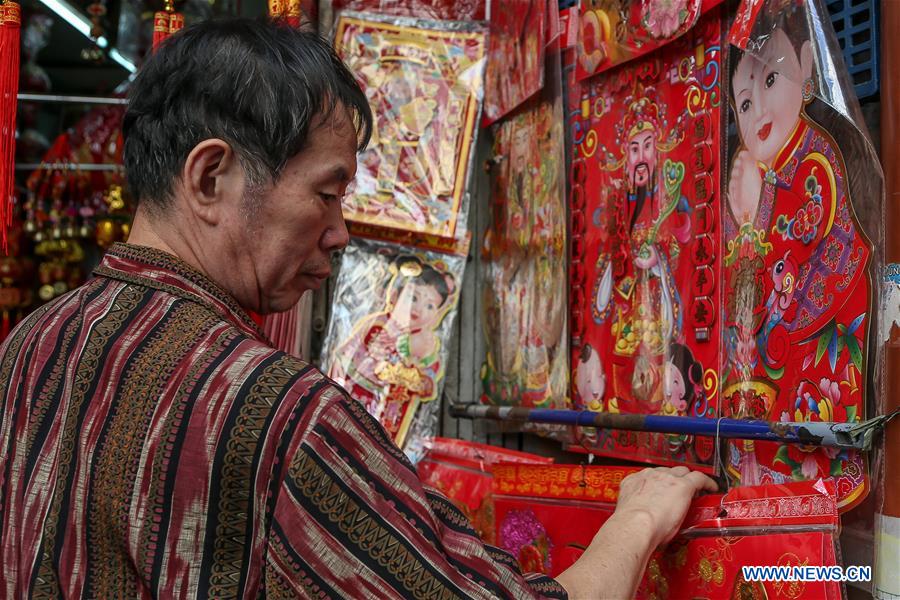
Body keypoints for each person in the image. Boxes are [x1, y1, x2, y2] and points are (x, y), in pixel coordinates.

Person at [0, 19, 716, 599]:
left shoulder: (29, 345)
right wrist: (640, 517)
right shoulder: (279, 417)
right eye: (327, 193)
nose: (341, 233)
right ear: (211, 177)